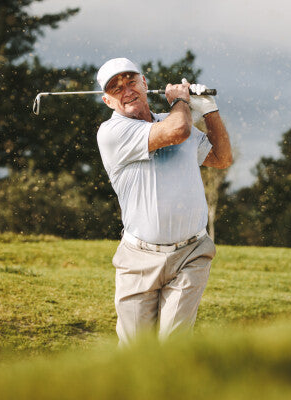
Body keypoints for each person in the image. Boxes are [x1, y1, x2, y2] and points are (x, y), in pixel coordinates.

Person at [95, 57, 232, 345]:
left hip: (191, 254)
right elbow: (177, 131)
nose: (126, 90)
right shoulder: (111, 133)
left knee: (174, 347)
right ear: (107, 101)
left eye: (131, 81)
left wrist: (210, 111)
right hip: (138, 258)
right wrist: (181, 100)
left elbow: (222, 158)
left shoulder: (171, 118)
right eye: (115, 88)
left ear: (144, 83)